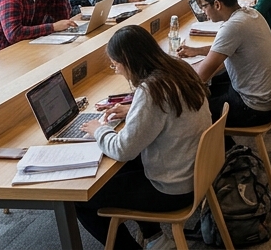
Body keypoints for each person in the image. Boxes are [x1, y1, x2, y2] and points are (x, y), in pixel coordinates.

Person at [76, 25, 210, 250]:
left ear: (128, 60)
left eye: (115, 65)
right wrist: (133, 111)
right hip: (196, 174)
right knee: (124, 169)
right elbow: (168, 112)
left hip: (173, 189)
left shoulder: (151, 90)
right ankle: (156, 239)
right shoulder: (179, 69)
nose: (116, 70)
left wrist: (99, 129)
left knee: (81, 199)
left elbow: (122, 149)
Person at [178, 0, 271, 128]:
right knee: (212, 85)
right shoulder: (250, 14)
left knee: (188, 112)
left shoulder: (233, 27)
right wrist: (197, 51)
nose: (204, 12)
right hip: (268, 97)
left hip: (253, 108)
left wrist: (175, 70)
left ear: (217, 5)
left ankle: (222, 146)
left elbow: (200, 76)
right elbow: (226, 49)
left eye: (205, 6)